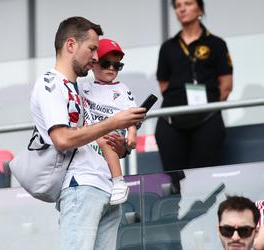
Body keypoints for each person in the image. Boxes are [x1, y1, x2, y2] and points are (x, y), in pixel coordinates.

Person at [29, 16, 146, 250]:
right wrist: (114, 122)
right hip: (80, 185)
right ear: (71, 45)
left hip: (107, 187)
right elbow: (62, 139)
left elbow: (95, 138)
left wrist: (122, 146)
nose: (96, 57)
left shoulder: (80, 89)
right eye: (92, 49)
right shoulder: (50, 84)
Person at [155, 0, 233, 193]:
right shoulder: (168, 47)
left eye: (188, 3)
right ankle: (178, 217)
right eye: (178, 5)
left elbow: (226, 85)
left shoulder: (216, 44)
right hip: (172, 119)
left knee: (204, 180)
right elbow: (164, 85)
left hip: (207, 117)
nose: (181, 8)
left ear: (200, 8)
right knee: (177, 181)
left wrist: (207, 110)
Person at [79, 38, 137, 205]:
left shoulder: (122, 89)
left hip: (113, 132)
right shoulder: (83, 88)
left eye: (117, 65)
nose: (111, 68)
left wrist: (132, 134)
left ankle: (119, 182)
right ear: (94, 64)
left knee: (105, 137)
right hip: (90, 135)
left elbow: (132, 114)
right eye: (106, 64)